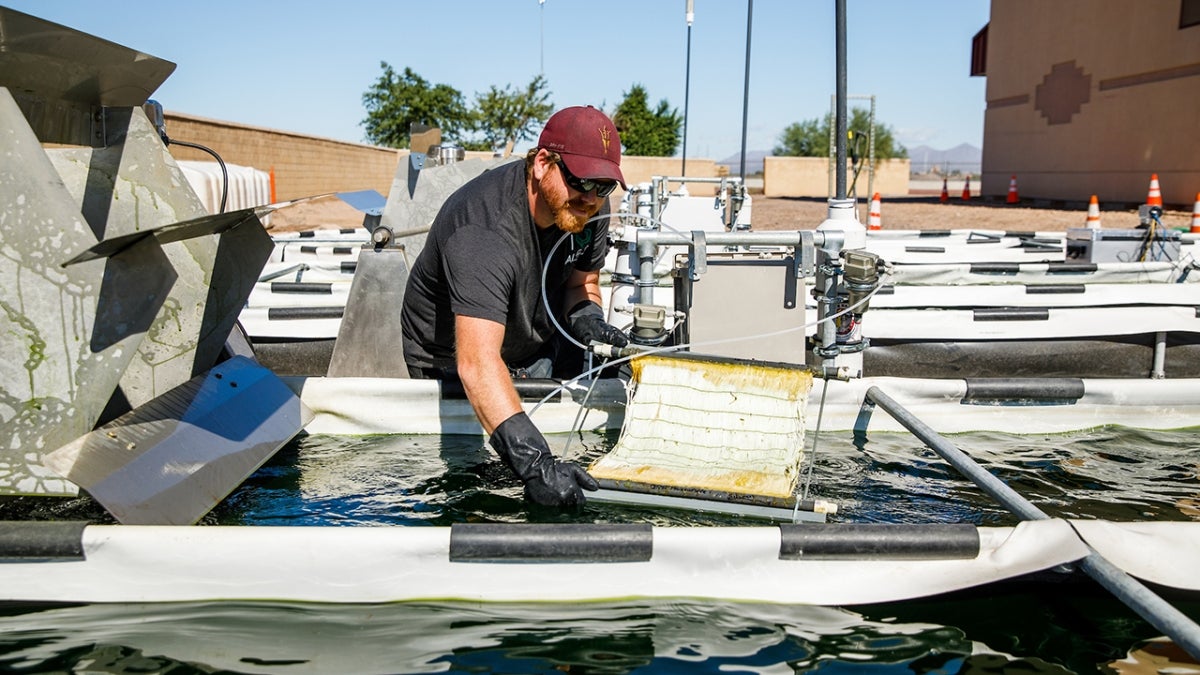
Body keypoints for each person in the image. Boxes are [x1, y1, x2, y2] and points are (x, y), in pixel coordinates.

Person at [401, 106, 630, 507]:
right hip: (452, 361)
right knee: (478, 491)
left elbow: (583, 283)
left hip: (526, 344)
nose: (591, 198)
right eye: (581, 181)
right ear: (543, 163)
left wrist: (589, 320)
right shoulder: (484, 228)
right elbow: (476, 363)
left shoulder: (589, 209)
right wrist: (537, 465)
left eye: (604, 187)